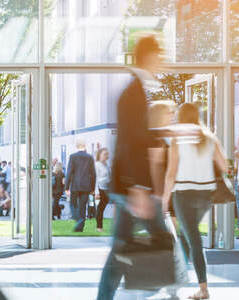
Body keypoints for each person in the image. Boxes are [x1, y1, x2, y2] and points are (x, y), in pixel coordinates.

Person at [96, 33, 174, 300]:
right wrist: (138, 188)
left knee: (121, 251)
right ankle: (160, 290)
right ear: (150, 56)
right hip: (132, 187)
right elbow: (130, 142)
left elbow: (137, 137)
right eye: (160, 55)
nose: (162, 61)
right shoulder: (134, 93)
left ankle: (151, 290)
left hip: (129, 187)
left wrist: (167, 134)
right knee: (161, 242)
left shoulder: (137, 91)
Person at [160, 103, 229, 300]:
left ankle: (203, 288)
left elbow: (171, 173)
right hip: (205, 194)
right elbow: (225, 166)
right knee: (187, 236)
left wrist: (165, 198)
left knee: (193, 239)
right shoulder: (209, 138)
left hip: (184, 193)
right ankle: (175, 278)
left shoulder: (178, 140)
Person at [66, 141, 97, 232]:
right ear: (85, 145)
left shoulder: (73, 156)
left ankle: (78, 221)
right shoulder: (90, 157)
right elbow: (93, 174)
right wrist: (92, 188)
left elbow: (69, 172)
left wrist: (67, 187)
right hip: (86, 186)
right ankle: (80, 227)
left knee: (72, 204)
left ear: (76, 146)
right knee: (82, 206)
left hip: (75, 185)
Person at [93, 147, 112, 230]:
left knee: (102, 207)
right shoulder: (97, 165)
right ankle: (99, 227)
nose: (106, 156)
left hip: (107, 188)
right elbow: (95, 179)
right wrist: (96, 192)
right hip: (101, 188)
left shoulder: (107, 164)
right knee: (100, 207)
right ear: (100, 155)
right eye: (105, 154)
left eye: (107, 154)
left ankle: (100, 226)